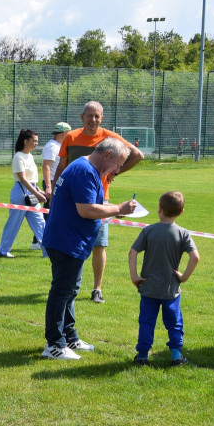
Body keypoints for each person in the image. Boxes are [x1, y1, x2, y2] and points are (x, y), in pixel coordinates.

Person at [41, 137, 137, 360]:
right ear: (107, 155)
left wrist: (115, 209)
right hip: (67, 240)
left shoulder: (85, 167)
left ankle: (69, 337)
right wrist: (118, 209)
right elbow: (86, 209)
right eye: (117, 164)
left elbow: (91, 203)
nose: (117, 170)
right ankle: (54, 344)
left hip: (71, 239)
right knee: (62, 291)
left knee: (70, 290)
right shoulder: (85, 171)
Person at [54, 101, 143, 304]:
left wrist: (115, 172)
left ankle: (97, 288)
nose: (93, 120)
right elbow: (62, 166)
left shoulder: (109, 137)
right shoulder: (71, 137)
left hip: (99, 198)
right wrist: (54, 190)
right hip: (71, 199)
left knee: (99, 245)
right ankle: (66, 285)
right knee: (71, 243)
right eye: (90, 115)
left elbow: (137, 155)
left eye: (97, 116)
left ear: (102, 118)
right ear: (82, 117)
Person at [128, 191, 200, 366]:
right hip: (171, 289)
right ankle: (176, 355)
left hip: (149, 287)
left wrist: (134, 276)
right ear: (181, 212)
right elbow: (195, 257)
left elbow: (133, 252)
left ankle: (142, 356)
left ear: (159, 209)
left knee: (146, 322)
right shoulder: (183, 233)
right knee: (174, 323)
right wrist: (183, 277)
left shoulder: (149, 230)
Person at [0, 129, 47, 259]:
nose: (36, 143)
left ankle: (47, 251)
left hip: (32, 192)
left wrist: (39, 191)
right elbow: (23, 179)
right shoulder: (18, 157)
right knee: (14, 223)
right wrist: (37, 194)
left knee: (40, 222)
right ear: (26, 141)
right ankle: (4, 250)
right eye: (34, 141)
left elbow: (32, 179)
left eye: (37, 141)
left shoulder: (30, 156)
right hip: (21, 192)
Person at [41, 122, 71, 203]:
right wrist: (49, 187)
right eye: (69, 133)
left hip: (58, 181)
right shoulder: (52, 147)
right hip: (52, 181)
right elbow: (46, 166)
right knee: (51, 206)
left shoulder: (58, 145)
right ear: (64, 133)